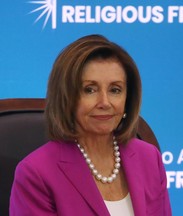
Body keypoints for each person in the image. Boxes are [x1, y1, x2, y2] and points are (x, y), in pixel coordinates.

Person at [9, 34, 172, 216]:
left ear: (128, 98)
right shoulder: (36, 173)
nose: (104, 102)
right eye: (90, 90)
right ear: (66, 97)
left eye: (115, 90)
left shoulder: (149, 159)